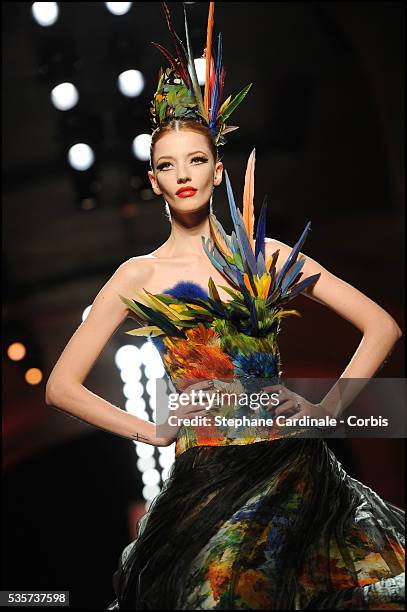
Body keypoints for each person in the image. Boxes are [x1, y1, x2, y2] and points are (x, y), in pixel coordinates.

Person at [46, 2, 405, 609]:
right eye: (167, 164)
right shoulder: (139, 276)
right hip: (206, 477)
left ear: (217, 173)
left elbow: (382, 325)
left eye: (197, 160)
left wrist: (326, 410)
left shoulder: (264, 255)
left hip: (291, 466)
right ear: (154, 181)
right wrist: (152, 430)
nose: (183, 174)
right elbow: (61, 386)